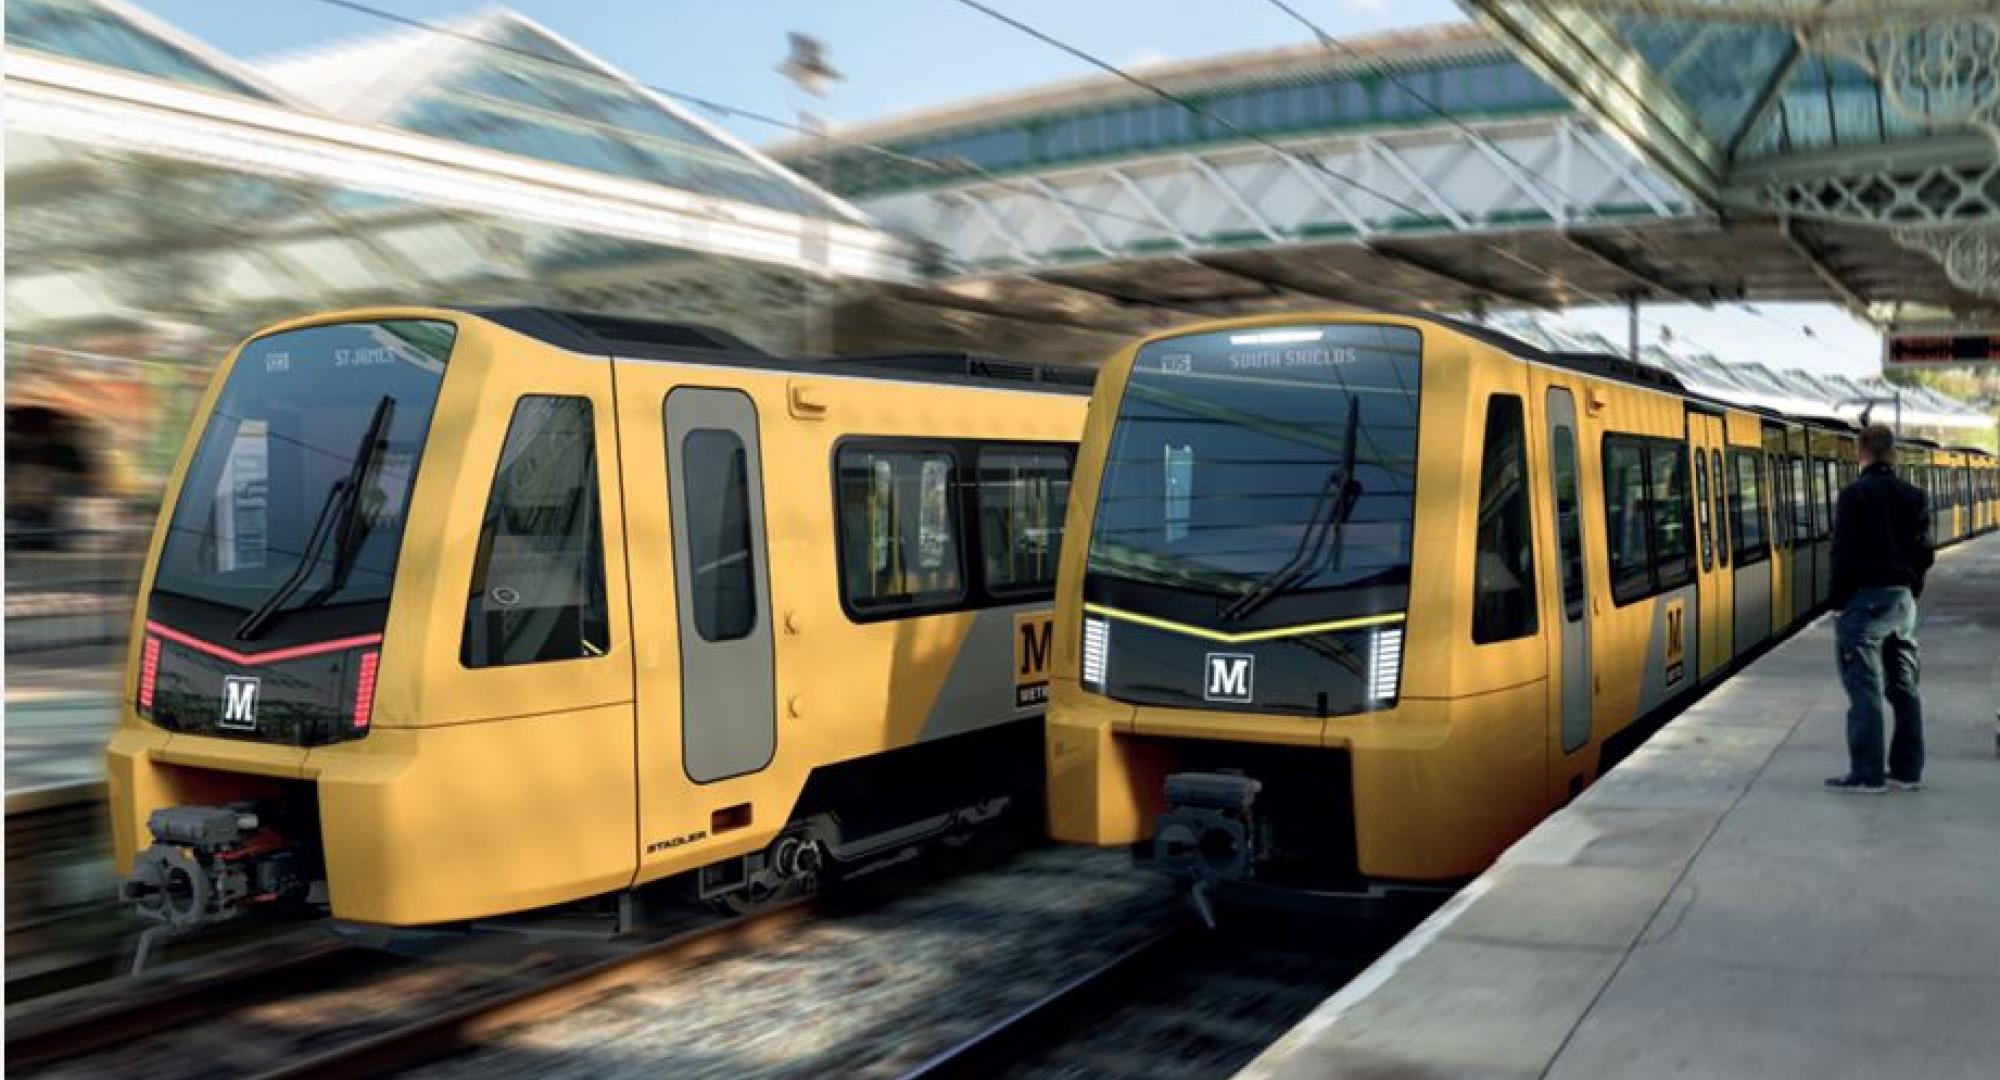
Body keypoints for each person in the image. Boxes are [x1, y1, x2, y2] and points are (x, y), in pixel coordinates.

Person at [1825, 424, 1933, 795]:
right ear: (1894, 454)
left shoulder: (1854, 496)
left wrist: (1838, 604)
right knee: (1905, 687)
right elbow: (1924, 552)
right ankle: (1906, 770)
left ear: (1862, 452)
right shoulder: (1914, 496)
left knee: (1864, 688)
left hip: (1864, 603)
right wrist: (1911, 588)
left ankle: (1867, 773)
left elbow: (1843, 555)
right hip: (1902, 602)